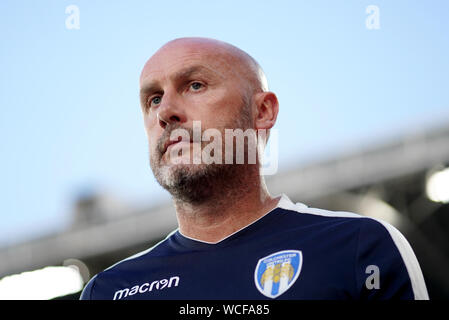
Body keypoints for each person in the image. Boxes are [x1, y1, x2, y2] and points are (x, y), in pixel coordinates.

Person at [80, 37, 429, 300]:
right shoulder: (109, 290)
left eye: (195, 85)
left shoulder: (359, 247)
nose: (165, 111)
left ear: (262, 112)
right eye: (153, 98)